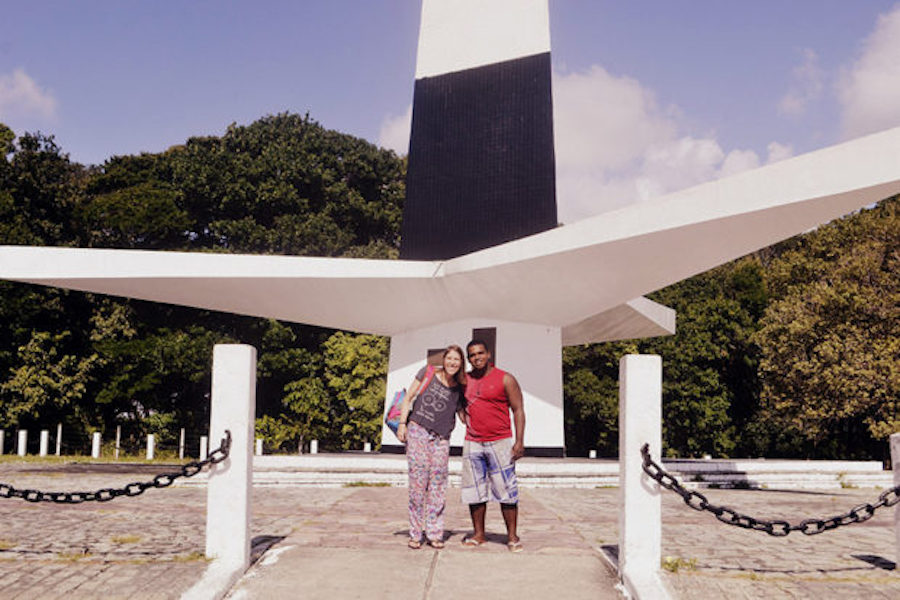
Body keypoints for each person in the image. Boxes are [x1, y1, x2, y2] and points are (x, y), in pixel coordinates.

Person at [397, 344, 467, 549]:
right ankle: (415, 533)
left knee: (437, 487)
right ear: (444, 360)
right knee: (418, 486)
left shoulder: (460, 388)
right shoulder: (427, 372)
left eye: (457, 359)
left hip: (441, 438)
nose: (453, 362)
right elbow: (409, 397)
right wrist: (402, 424)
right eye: (450, 358)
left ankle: (435, 533)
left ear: (461, 363)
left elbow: (463, 415)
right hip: (418, 431)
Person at [459, 339, 525, 552]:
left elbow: (518, 410)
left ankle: (512, 537)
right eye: (471, 355)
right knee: (475, 491)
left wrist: (519, 441)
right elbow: (458, 401)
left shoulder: (505, 379)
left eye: (480, 353)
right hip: (473, 441)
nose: (476, 357)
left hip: (500, 441)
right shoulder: (464, 380)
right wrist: (462, 414)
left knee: (506, 490)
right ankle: (479, 534)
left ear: (488, 355)